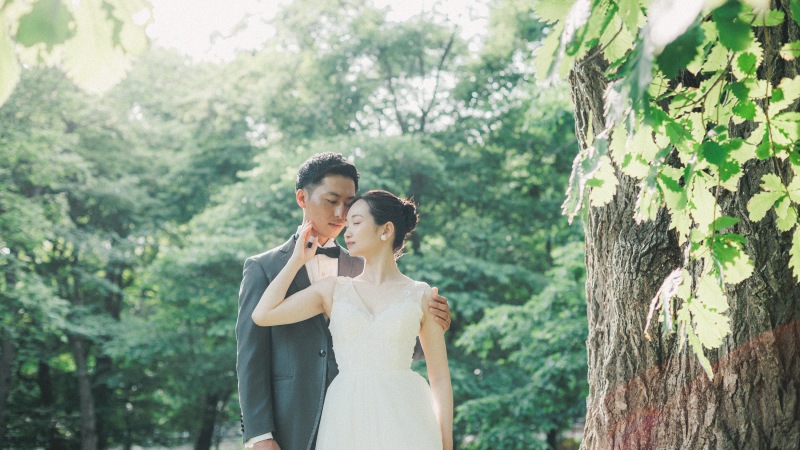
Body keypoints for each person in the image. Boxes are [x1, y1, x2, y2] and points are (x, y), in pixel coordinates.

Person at [236, 153, 452, 450]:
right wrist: (260, 434)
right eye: (331, 200)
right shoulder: (264, 267)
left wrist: (434, 321)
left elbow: (399, 347)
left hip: (384, 415)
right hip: (293, 423)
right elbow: (251, 356)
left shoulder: (361, 263)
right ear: (302, 198)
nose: (340, 213)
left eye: (349, 205)